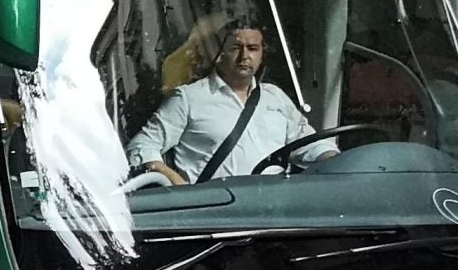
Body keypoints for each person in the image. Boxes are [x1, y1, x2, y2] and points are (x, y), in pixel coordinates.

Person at [126, 19, 316, 183]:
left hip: (274, 208)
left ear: (261, 55)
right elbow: (142, 146)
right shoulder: (188, 99)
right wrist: (173, 180)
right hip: (217, 211)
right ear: (219, 54)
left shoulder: (276, 97)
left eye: (252, 49)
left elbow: (308, 144)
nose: (244, 56)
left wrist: (335, 160)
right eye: (235, 48)